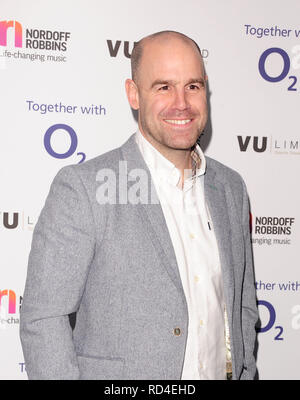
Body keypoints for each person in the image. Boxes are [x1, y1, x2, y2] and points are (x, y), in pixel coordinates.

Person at [20, 30, 258, 380]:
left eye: (192, 86)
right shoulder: (85, 187)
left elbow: (242, 308)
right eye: (163, 87)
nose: (182, 103)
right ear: (134, 94)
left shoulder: (230, 188)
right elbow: (43, 318)